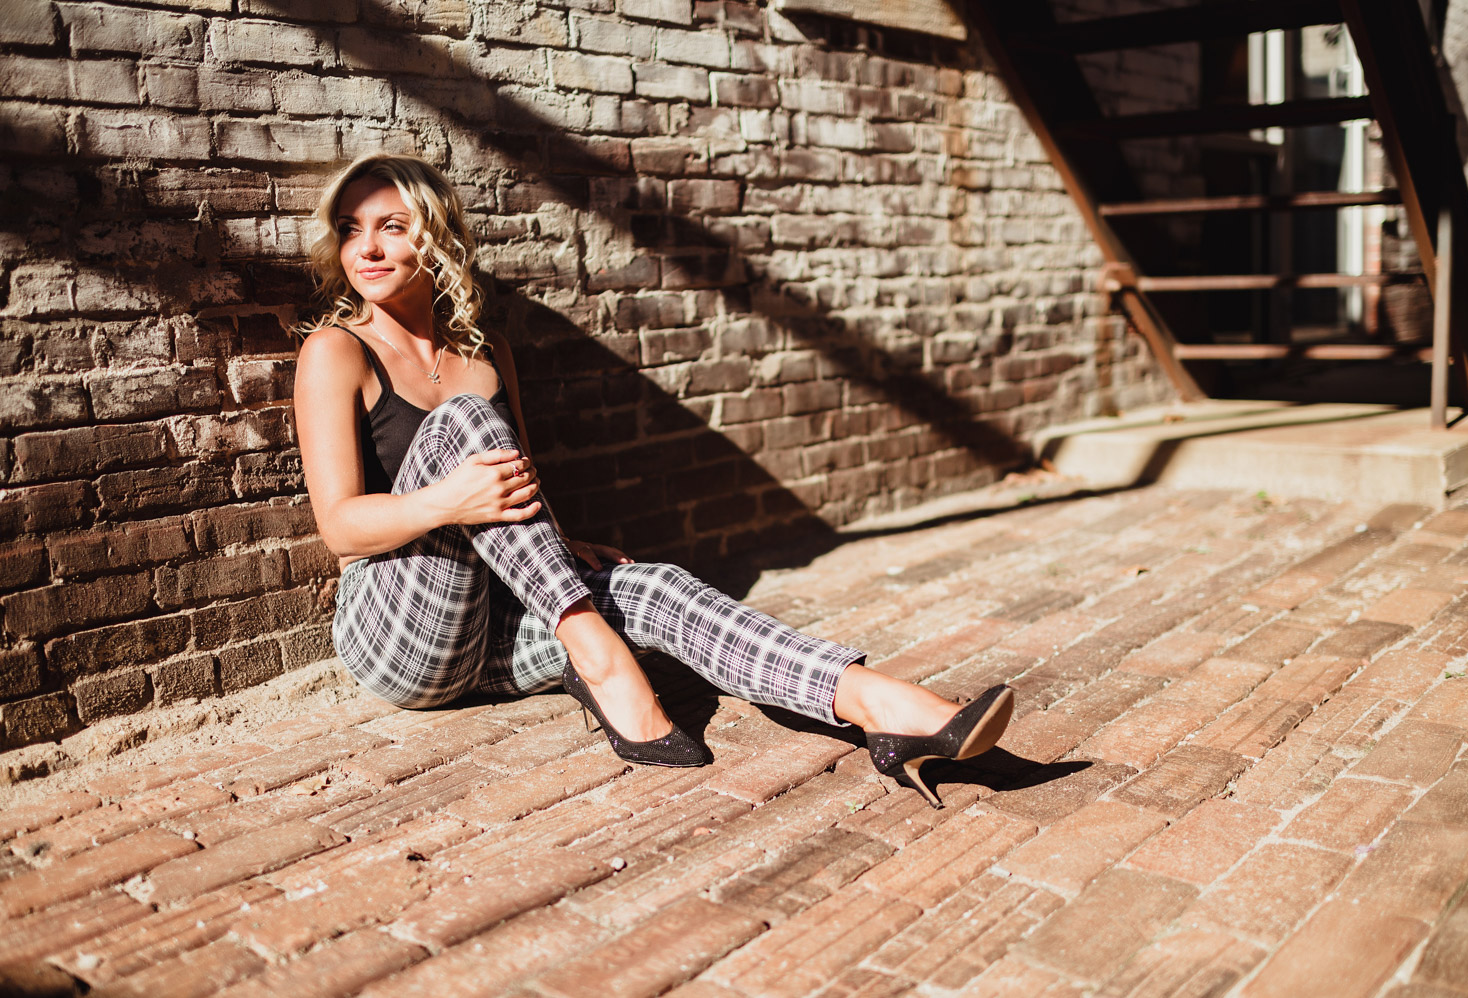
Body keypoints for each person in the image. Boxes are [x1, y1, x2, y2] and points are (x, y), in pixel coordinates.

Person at [292, 154, 1013, 808]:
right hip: (397, 634)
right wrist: (445, 500)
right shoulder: (337, 350)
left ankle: (884, 708)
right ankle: (596, 654)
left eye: (392, 226)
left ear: (436, 237)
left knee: (654, 586)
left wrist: (561, 548)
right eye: (352, 230)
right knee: (462, 422)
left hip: (495, 630)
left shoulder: (488, 356)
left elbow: (513, 496)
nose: (369, 249)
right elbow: (340, 526)